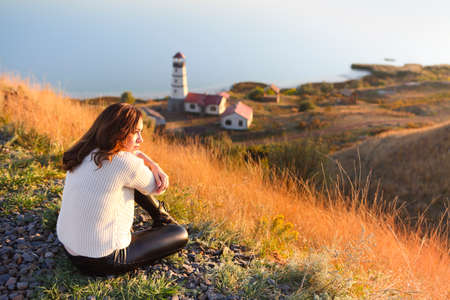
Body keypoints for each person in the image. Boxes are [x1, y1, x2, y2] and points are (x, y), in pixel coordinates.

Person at [56, 103, 188, 276]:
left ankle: (161, 218)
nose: (141, 139)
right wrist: (154, 165)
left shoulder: (83, 152)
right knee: (179, 233)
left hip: (69, 247)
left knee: (134, 180)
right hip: (102, 260)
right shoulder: (123, 162)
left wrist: (139, 156)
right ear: (120, 132)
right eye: (136, 132)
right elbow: (158, 187)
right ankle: (163, 220)